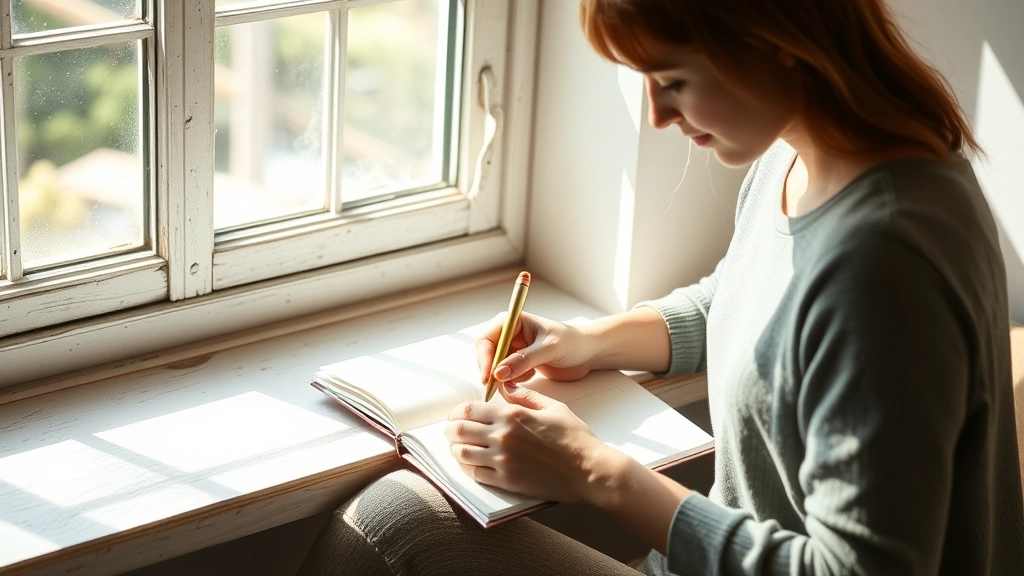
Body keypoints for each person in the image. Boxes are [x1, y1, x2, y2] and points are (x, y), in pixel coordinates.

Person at [299, 0, 1024, 574]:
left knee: (393, 526)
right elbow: (747, 303)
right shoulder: (801, 156)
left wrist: (594, 471)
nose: (657, 115)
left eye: (673, 80)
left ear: (776, 37)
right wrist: (586, 341)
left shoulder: (886, 261)